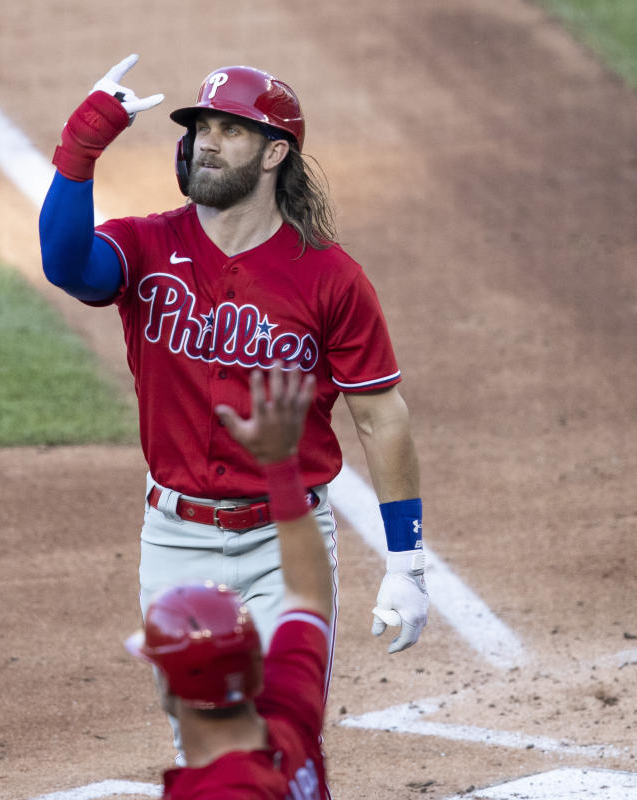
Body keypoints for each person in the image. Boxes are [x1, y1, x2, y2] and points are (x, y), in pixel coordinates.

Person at [38, 54, 428, 660]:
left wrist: (407, 562)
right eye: (200, 130)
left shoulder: (332, 278)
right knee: (202, 742)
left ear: (275, 153)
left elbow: (381, 416)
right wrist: (81, 145)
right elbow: (67, 266)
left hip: (288, 539)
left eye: (231, 129)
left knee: (282, 734)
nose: (206, 144)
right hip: (175, 542)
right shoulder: (144, 244)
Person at [124, 368, 333, 798]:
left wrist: (278, 466)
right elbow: (309, 595)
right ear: (257, 665)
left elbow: (309, 599)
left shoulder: (213, 792)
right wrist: (281, 467)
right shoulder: (291, 717)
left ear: (170, 685)